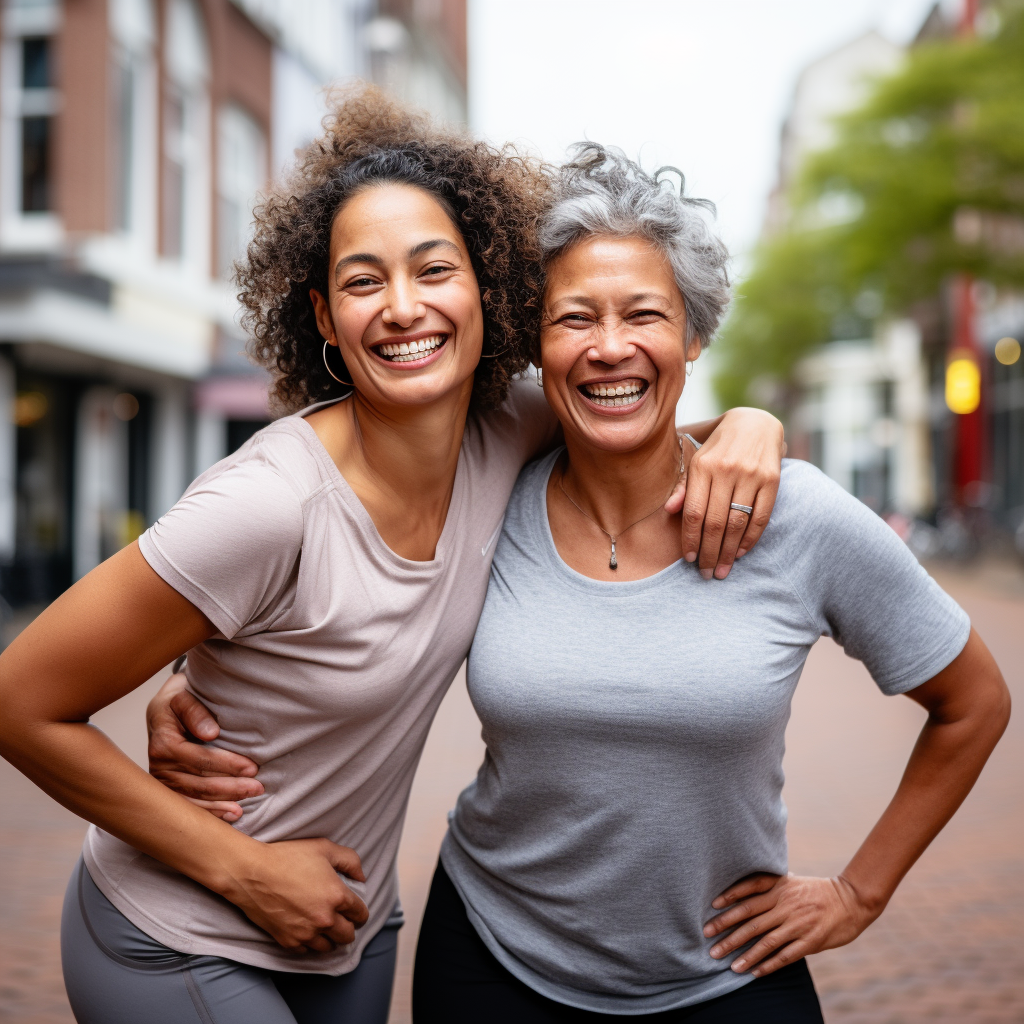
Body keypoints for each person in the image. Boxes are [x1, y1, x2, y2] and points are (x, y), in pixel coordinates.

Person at [0, 91, 785, 1024]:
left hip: (354, 929)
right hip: (184, 931)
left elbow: (638, 412)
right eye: (364, 282)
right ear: (325, 319)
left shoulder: (509, 428)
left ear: (486, 288)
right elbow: (20, 700)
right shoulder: (267, 504)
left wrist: (753, 423)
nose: (403, 307)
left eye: (433, 268)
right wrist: (245, 872)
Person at [406, 145, 1010, 1022]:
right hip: (492, 958)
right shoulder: (489, 491)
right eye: (574, 319)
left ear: (693, 335)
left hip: (725, 972)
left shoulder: (798, 518)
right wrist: (196, 681)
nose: (609, 347)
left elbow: (975, 702)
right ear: (538, 343)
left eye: (643, 314)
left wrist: (858, 895)